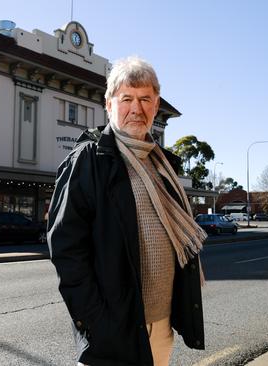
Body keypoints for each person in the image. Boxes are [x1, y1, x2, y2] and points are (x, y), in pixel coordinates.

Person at [47, 56, 208, 366]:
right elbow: (67, 251)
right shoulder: (89, 160)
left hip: (160, 329)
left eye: (146, 99)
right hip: (113, 334)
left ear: (156, 103)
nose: (137, 108)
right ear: (109, 105)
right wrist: (97, 325)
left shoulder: (163, 165)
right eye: (127, 99)